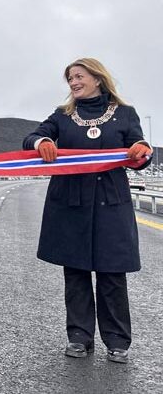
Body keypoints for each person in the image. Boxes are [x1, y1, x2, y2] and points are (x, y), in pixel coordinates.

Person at [23, 58, 152, 364]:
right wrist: (42, 141)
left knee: (112, 273)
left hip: (111, 202)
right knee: (76, 271)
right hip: (71, 202)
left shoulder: (125, 114)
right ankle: (79, 338)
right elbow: (31, 138)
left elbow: (139, 148)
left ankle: (117, 341)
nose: (73, 82)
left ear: (97, 77)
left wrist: (141, 150)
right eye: (70, 79)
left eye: (79, 76)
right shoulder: (63, 116)